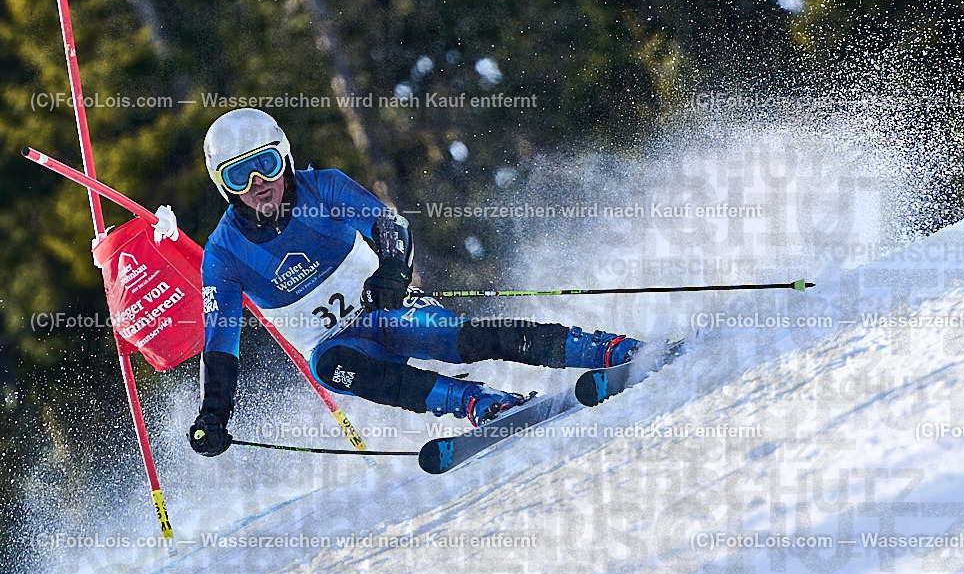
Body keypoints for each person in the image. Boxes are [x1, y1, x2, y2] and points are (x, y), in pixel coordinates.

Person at [189, 108, 642, 456]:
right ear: (221, 185)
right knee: (329, 367)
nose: (258, 184)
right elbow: (221, 344)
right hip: (337, 344)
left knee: (461, 340)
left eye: (265, 165)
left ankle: (601, 348)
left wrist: (392, 269)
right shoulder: (224, 254)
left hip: (388, 309)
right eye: (238, 175)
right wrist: (214, 413)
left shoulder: (321, 187)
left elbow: (390, 226)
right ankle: (478, 403)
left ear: (284, 158)